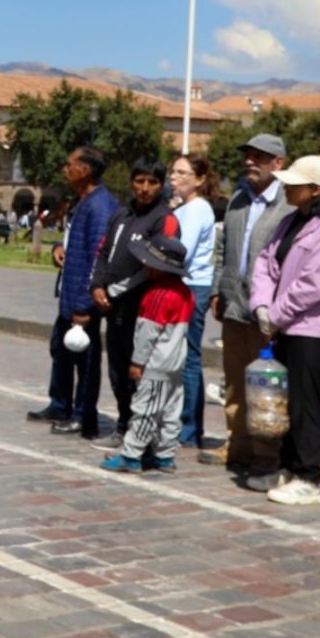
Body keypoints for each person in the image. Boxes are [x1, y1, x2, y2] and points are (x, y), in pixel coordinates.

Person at [247, 155, 320, 506]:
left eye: (295, 183)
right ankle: (288, 465)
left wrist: (275, 315)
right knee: (285, 401)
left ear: (315, 189)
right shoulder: (291, 220)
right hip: (282, 323)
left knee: (306, 403)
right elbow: (266, 262)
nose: (287, 187)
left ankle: (307, 474)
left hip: (310, 328)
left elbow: (312, 285)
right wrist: (261, 305)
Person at [198, 134, 293, 477]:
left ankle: (266, 452)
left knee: (267, 386)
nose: (249, 161)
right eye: (248, 155)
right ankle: (235, 445)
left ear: (278, 163)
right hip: (233, 307)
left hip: (268, 313)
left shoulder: (289, 204)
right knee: (235, 381)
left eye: (259, 156)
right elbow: (223, 250)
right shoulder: (238, 199)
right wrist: (216, 291)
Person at [88, 159, 178, 451]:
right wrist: (97, 285)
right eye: (140, 181)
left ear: (161, 185)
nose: (145, 188)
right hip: (114, 307)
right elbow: (103, 252)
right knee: (116, 368)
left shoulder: (164, 218)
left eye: (152, 182)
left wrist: (114, 290)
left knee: (139, 370)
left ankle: (144, 431)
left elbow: (156, 265)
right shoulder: (121, 215)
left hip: (143, 307)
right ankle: (124, 423)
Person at [27, 146, 117, 439]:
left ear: (86, 170)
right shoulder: (82, 202)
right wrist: (57, 248)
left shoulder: (101, 206)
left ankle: (82, 414)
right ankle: (60, 404)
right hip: (68, 296)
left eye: (70, 165)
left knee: (85, 360)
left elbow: (97, 258)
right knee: (61, 351)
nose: (65, 170)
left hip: (84, 302)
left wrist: (84, 305)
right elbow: (72, 241)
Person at [99, 233, 193, 475]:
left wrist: (137, 362)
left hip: (156, 364)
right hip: (175, 362)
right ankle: (165, 454)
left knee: (146, 410)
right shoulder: (184, 293)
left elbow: (146, 334)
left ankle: (131, 455)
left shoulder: (157, 295)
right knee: (171, 412)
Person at [168, 154, 217, 448]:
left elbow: (180, 250)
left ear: (199, 179)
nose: (174, 177)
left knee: (189, 358)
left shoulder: (199, 209)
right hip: (180, 284)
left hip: (192, 286)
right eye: (173, 172)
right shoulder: (183, 208)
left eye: (182, 172)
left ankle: (190, 426)